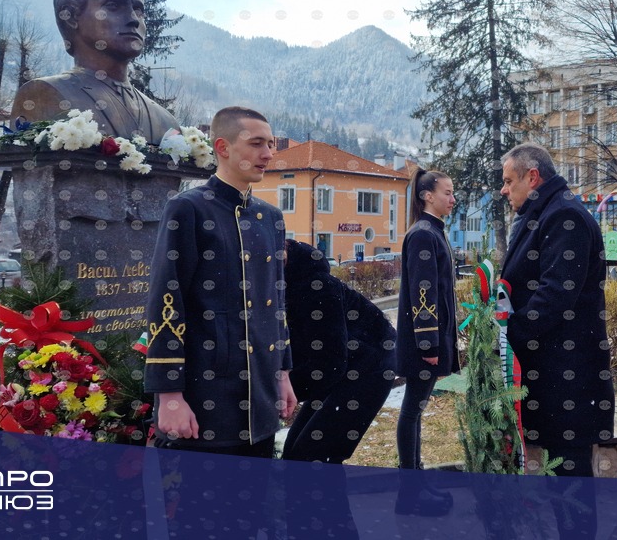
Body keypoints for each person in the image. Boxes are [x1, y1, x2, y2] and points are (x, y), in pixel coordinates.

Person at [143, 105, 297, 457]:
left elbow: (277, 303)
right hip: (204, 397)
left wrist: (283, 373)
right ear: (223, 148)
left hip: (261, 398)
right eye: (256, 144)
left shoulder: (271, 217)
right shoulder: (188, 209)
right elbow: (166, 301)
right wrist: (169, 395)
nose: (267, 154)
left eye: (270, 144)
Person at [499, 143, 614, 537]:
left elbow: (555, 295)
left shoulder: (564, 216)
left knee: (570, 484)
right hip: (551, 376)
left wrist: (507, 335)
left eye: (509, 181)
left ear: (533, 177)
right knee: (560, 483)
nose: (504, 189)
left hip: (568, 377)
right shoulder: (544, 212)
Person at [11, 0, 179, 143]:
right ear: (71, 16)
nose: (133, 19)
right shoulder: (42, 94)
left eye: (139, 10)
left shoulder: (165, 121)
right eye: (113, 5)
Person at [282, 238, 395, 463]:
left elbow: (329, 362)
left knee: (312, 455)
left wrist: (283, 393)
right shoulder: (287, 286)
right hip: (342, 366)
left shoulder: (318, 288)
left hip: (373, 365)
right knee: (295, 452)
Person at [394, 168, 458, 516]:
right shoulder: (423, 234)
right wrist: (429, 344)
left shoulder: (432, 231)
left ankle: (415, 483)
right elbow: (424, 293)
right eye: (447, 192)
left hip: (429, 341)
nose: (453, 199)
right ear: (427, 196)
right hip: (424, 344)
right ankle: (409, 493)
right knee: (411, 412)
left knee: (415, 411)